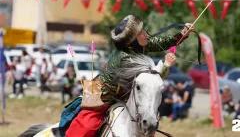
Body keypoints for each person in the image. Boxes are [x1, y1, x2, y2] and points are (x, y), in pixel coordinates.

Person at [62, 15, 194, 137]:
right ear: (133, 40)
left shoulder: (140, 43)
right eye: (141, 32)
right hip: (101, 96)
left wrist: (182, 34)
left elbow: (163, 42)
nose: (146, 34)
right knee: (86, 127)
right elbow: (149, 79)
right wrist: (166, 65)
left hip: (122, 94)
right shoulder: (125, 58)